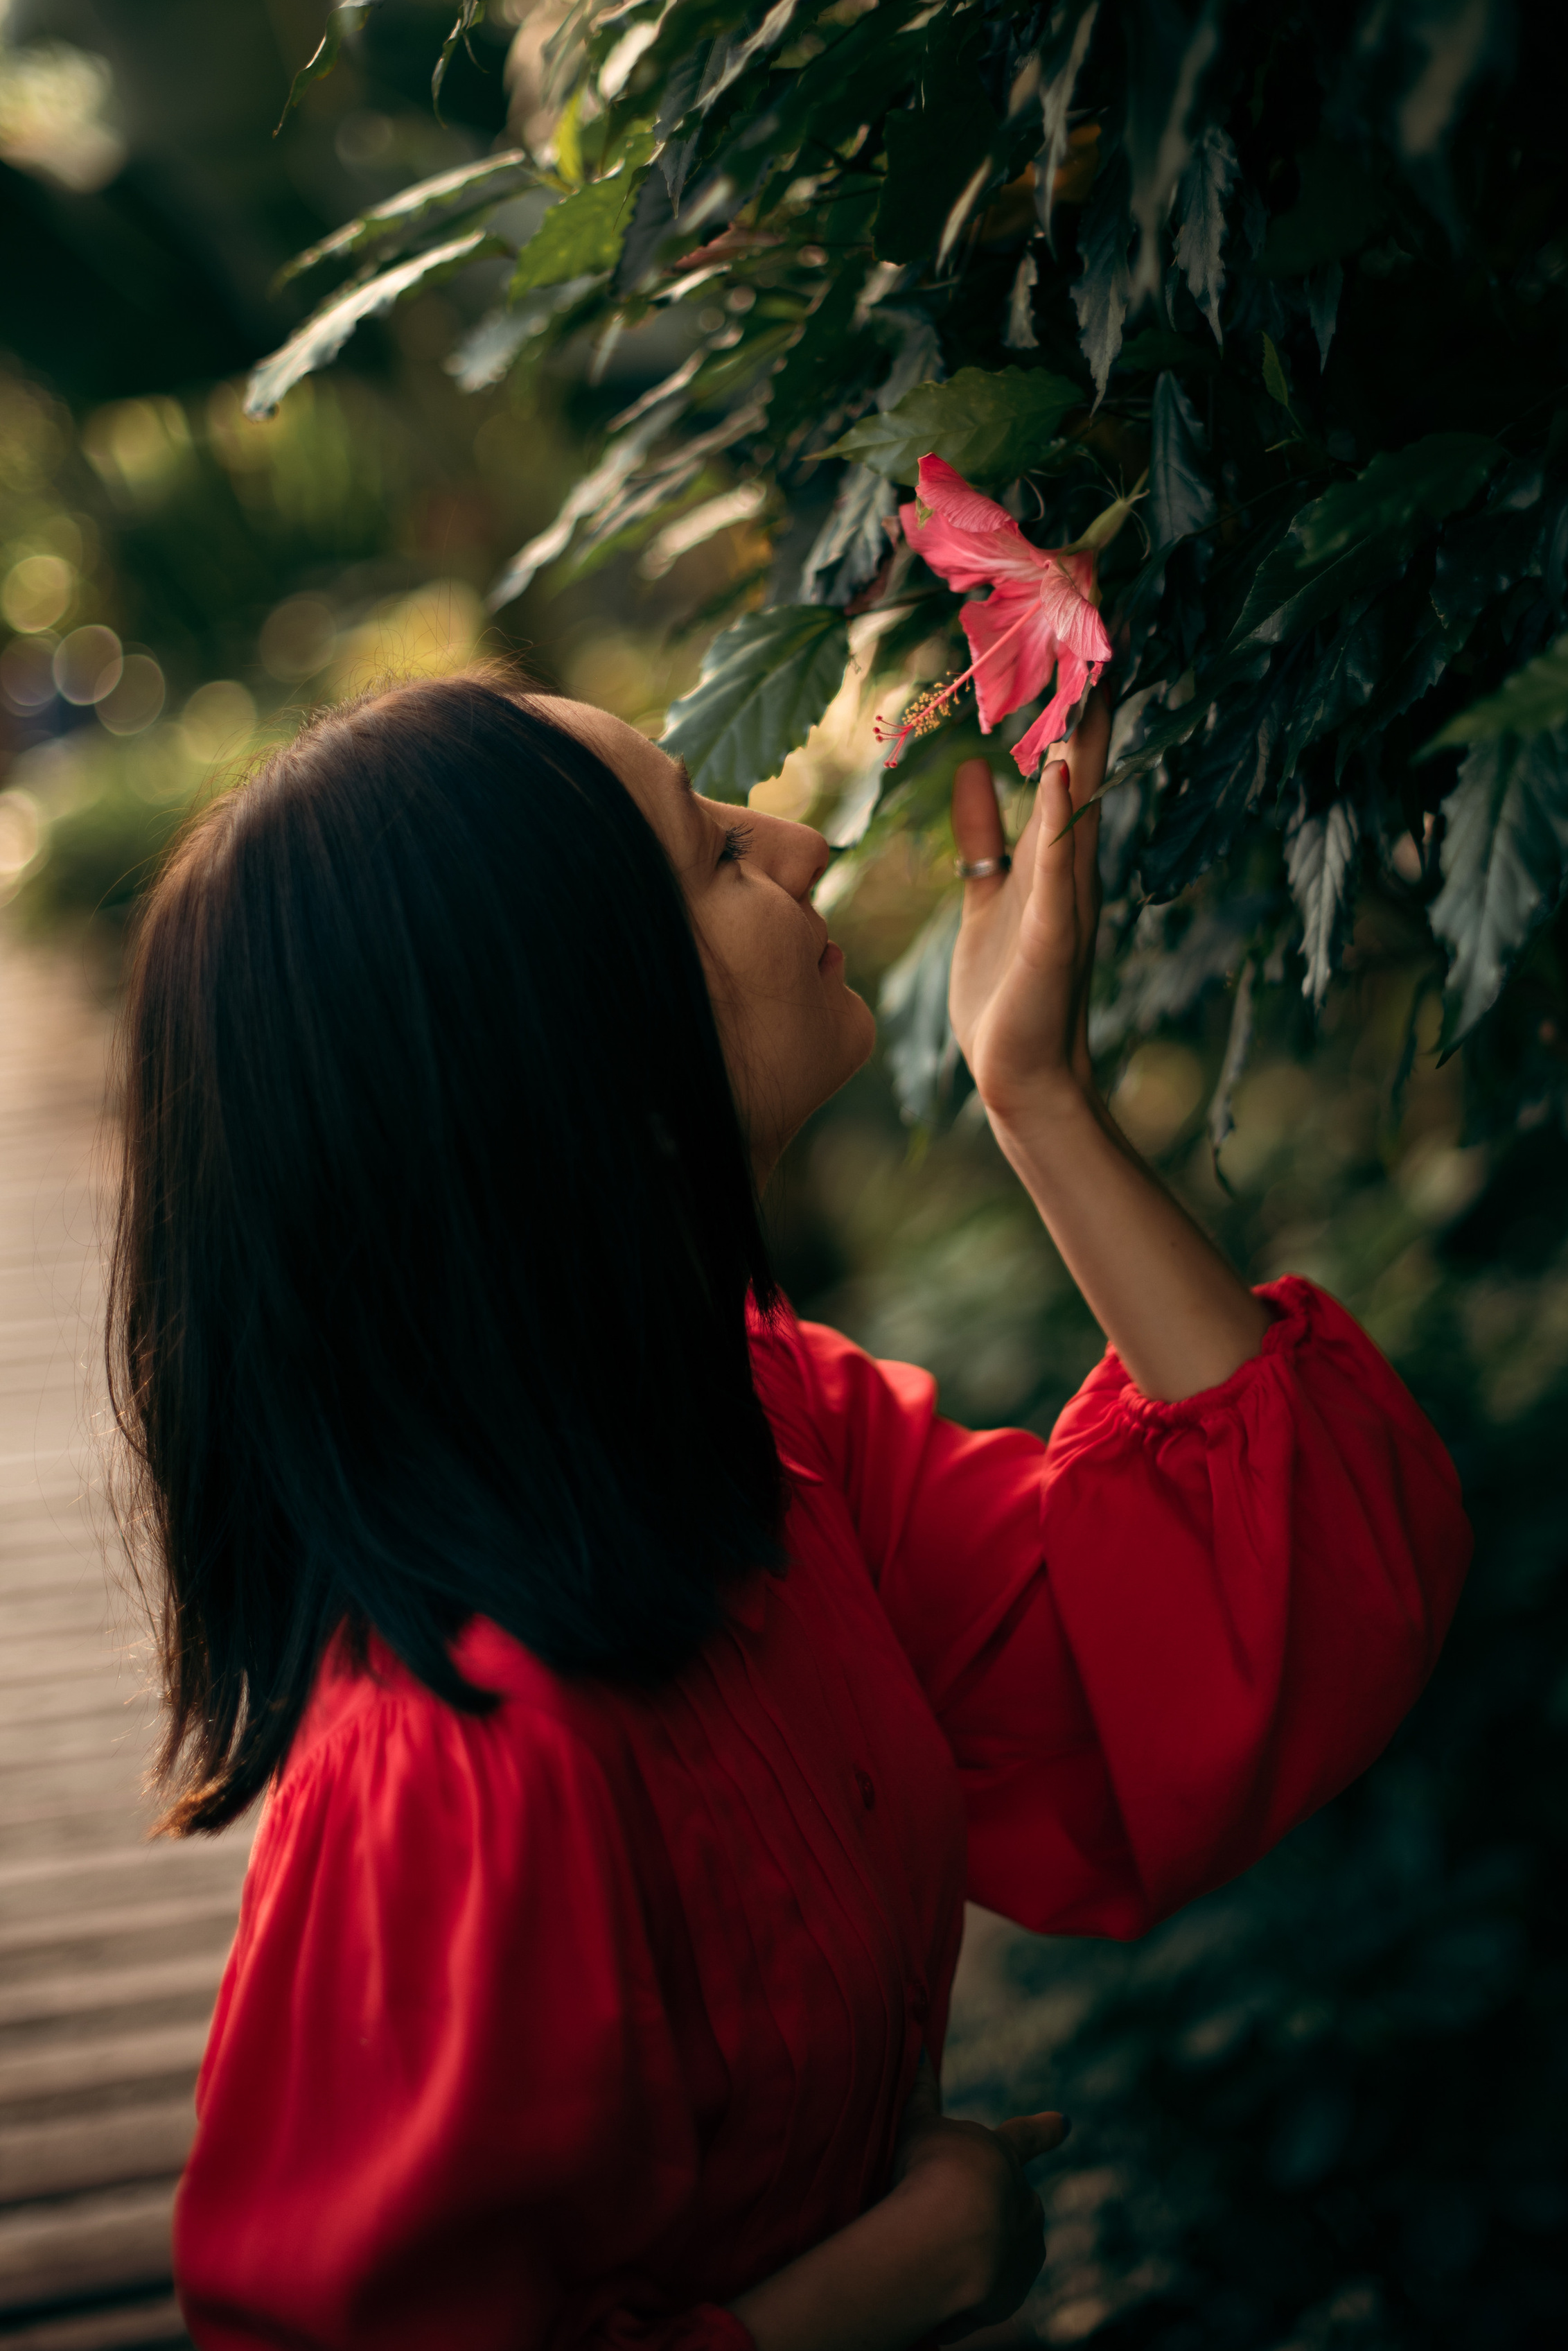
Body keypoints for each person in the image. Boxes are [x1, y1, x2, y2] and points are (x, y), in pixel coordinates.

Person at [110, 672, 1470, 2351]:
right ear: (579, 1050)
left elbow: (1262, 1637)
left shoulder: (751, 1426)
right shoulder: (464, 1765)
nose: (808, 845)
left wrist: (1035, 1097)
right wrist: (881, 2287)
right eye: (708, 852)